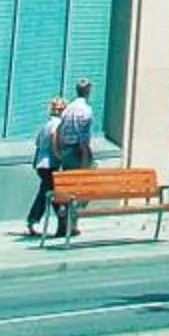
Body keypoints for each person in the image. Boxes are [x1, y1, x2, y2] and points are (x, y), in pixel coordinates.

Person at [54, 80, 95, 240]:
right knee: (88, 186)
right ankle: (73, 213)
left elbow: (58, 129)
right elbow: (83, 136)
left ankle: (66, 221)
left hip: (66, 151)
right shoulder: (85, 110)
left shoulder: (68, 109)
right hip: (79, 151)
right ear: (88, 90)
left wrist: (58, 151)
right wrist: (85, 159)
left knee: (67, 187)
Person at [24, 98, 63, 238]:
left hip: (41, 164)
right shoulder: (57, 124)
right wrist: (59, 155)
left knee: (47, 192)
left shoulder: (45, 125)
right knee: (50, 194)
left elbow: (38, 144)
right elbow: (54, 138)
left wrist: (36, 162)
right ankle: (61, 221)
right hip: (50, 164)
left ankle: (35, 221)